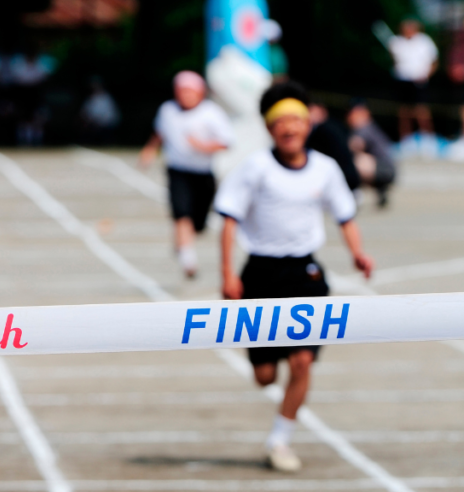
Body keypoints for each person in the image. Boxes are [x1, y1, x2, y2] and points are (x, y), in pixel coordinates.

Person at [215, 82, 374, 472]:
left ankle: (279, 441)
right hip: (261, 274)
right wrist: (227, 275)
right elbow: (229, 220)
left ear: (307, 125)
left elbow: (345, 216)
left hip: (306, 273)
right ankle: (267, 367)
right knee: (265, 376)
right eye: (281, 122)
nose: (290, 128)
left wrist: (358, 254)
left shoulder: (325, 168)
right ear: (270, 129)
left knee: (302, 361)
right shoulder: (255, 167)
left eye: (297, 121)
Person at [139, 71, 233, 278]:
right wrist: (149, 151)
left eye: (190, 91)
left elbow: (226, 143)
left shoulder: (212, 112)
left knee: (198, 223)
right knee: (181, 213)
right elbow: (159, 133)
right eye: (181, 91)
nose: (185, 95)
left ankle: (182, 243)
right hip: (177, 170)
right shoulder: (167, 110)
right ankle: (188, 259)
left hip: (203, 173)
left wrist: (202, 146)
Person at [388, 18, 438, 139]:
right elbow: (395, 61)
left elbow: (434, 62)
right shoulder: (396, 42)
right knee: (404, 111)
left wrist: (425, 75)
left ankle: (428, 138)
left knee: (422, 111)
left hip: (420, 82)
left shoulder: (425, 41)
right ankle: (405, 139)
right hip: (402, 81)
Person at [347, 99, 396, 207]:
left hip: (384, 168)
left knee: (351, 160)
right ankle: (380, 189)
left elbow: (354, 146)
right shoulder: (371, 126)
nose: (350, 117)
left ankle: (354, 192)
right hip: (387, 168)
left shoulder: (364, 127)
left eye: (354, 113)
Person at [307, 101, 361, 191]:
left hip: (341, 181)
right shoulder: (335, 125)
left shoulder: (323, 130)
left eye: (312, 111)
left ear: (322, 111)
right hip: (349, 178)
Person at [79, 77, 121, 145]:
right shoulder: (90, 98)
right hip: (93, 124)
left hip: (106, 125)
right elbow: (84, 113)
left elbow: (110, 116)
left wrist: (99, 122)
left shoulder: (107, 98)